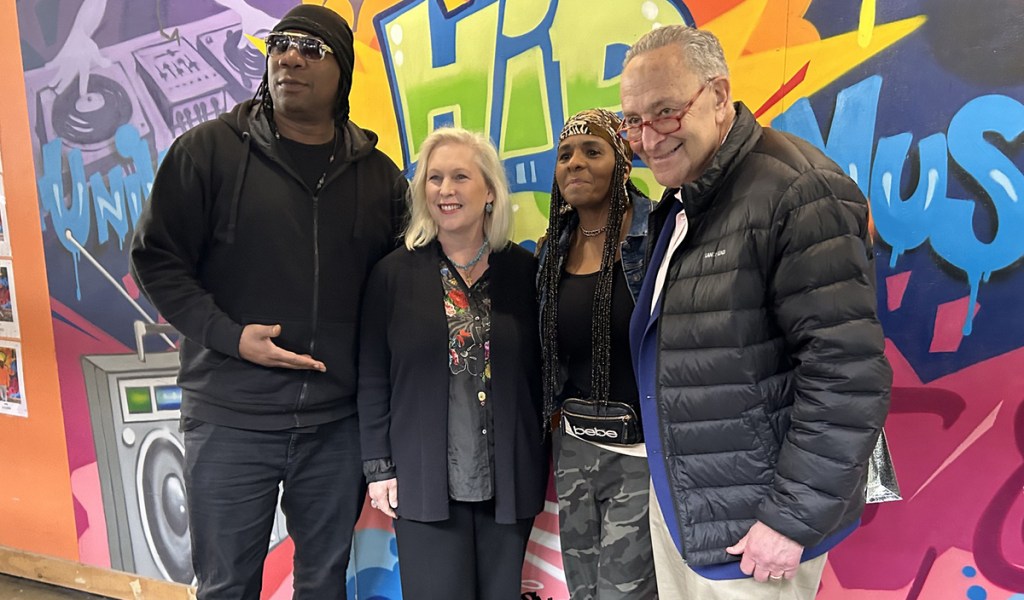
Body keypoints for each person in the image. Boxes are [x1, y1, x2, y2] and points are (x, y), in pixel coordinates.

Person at [129, 5, 408, 599]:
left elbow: (396, 291)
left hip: (335, 425)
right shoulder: (208, 152)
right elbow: (156, 259)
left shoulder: (380, 178)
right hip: (230, 417)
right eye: (280, 44)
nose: (289, 58)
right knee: (227, 585)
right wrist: (230, 336)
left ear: (343, 71)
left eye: (311, 48)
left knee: (324, 583)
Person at [620, 25, 892, 599]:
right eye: (634, 121)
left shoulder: (797, 190)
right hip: (690, 507)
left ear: (719, 96)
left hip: (756, 531)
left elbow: (846, 374)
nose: (647, 138)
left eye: (666, 112)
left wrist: (790, 520)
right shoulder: (690, 198)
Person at [358, 127, 547, 600]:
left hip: (508, 481)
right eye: (435, 178)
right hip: (422, 482)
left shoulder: (525, 272)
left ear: (489, 191)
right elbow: (373, 376)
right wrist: (379, 468)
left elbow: (543, 371)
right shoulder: (392, 275)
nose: (446, 189)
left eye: (461, 177)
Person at [536, 108, 658, 598]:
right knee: (583, 591)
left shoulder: (657, 237)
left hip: (641, 453)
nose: (575, 163)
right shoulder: (552, 250)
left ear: (622, 164)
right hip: (574, 448)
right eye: (565, 154)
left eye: (593, 151)